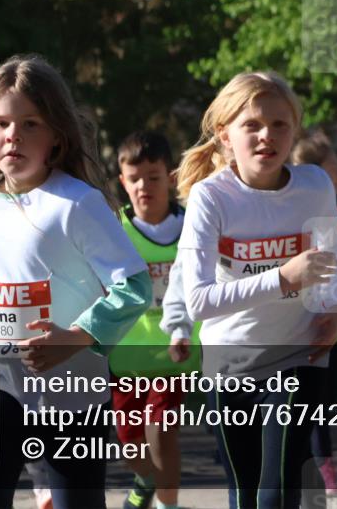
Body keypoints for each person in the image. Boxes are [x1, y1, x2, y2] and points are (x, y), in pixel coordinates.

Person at [0, 54, 151, 509]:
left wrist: (76, 338)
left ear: (56, 136)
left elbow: (134, 287)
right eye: (2, 122)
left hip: (72, 393)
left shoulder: (77, 203)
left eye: (31, 123)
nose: (13, 135)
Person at [176, 71, 337, 509]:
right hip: (229, 359)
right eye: (251, 124)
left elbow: (332, 261)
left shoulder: (314, 185)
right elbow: (199, 302)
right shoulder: (210, 197)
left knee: (279, 487)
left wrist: (335, 308)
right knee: (245, 491)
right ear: (225, 135)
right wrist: (283, 278)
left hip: (297, 352)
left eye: (279, 125)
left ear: (293, 132)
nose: (266, 135)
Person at [107, 130, 194, 509]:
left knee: (161, 432)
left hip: (175, 350)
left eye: (154, 177)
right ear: (122, 182)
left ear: (170, 179)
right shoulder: (113, 231)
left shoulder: (193, 226)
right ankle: (143, 481)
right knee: (129, 440)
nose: (145, 186)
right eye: (135, 178)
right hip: (125, 355)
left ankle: (167, 504)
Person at [290, 131, 337, 495]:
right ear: (314, 173)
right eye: (334, 169)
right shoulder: (286, 211)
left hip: (325, 318)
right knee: (301, 401)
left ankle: (318, 467)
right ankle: (313, 468)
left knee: (321, 401)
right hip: (292, 322)